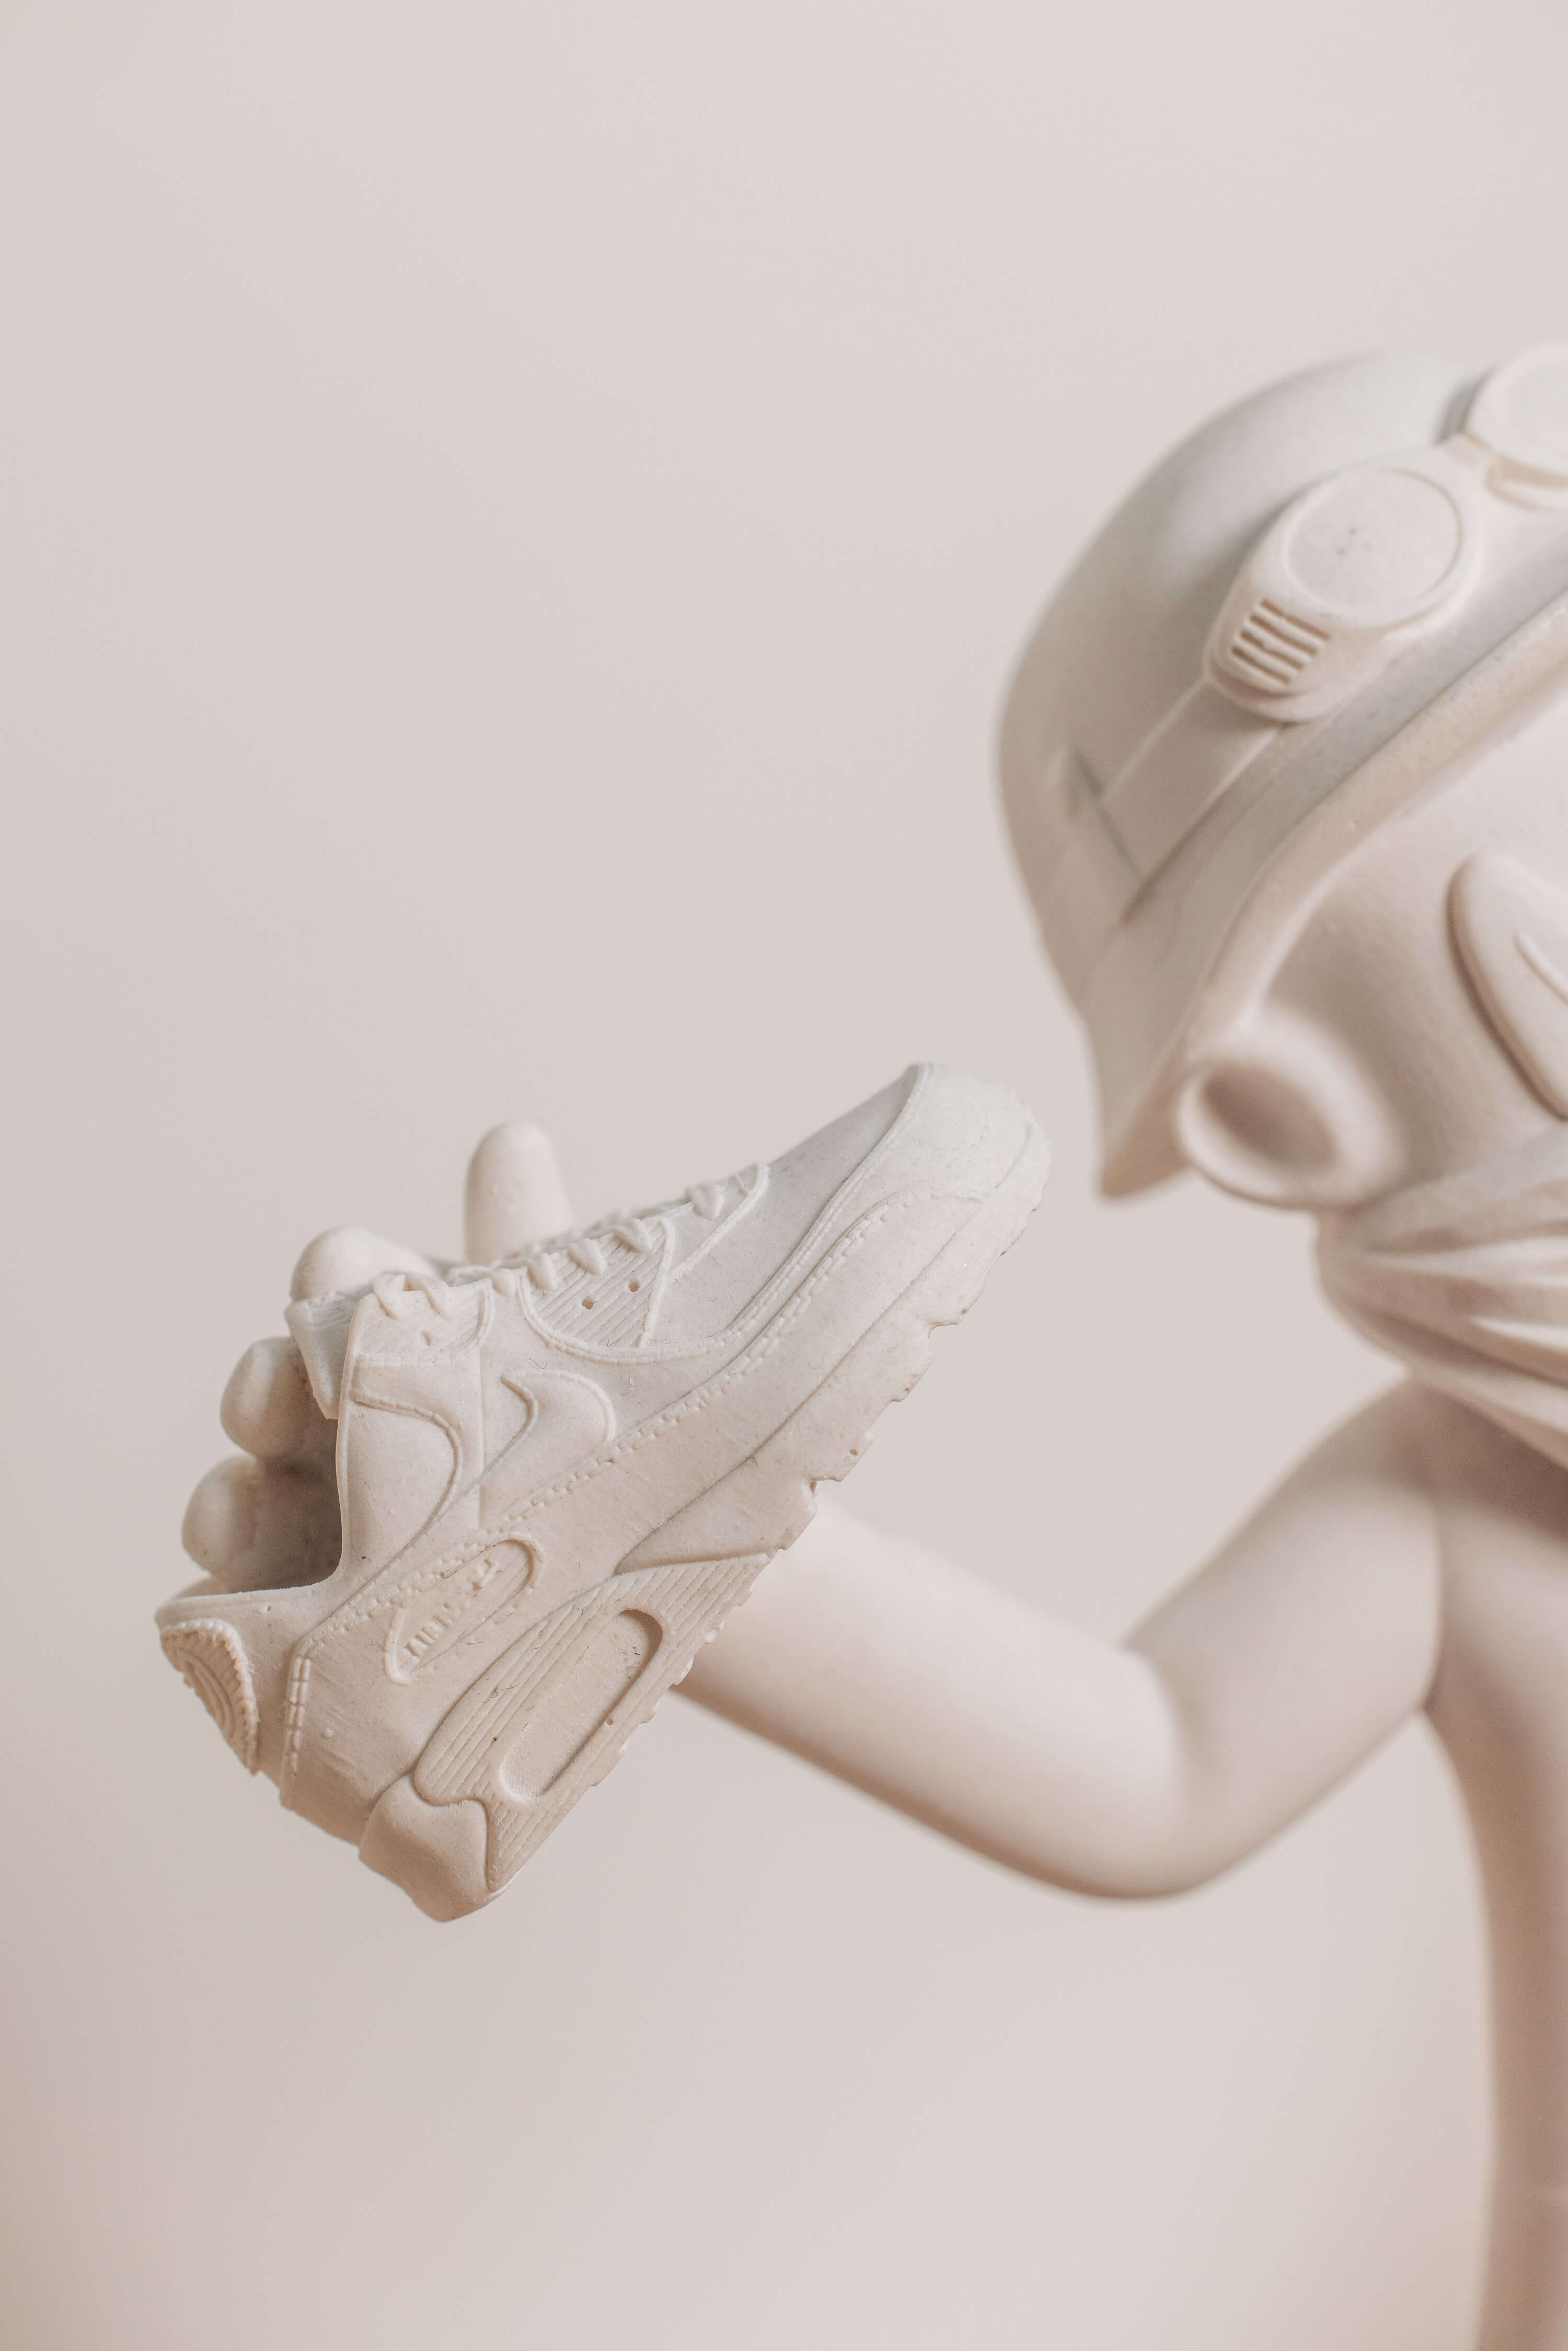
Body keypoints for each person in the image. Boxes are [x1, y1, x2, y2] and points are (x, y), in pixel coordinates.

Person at [165, 343, 1568, 2350]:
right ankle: (541, 1509)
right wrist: (692, 1521)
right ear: (1286, 1113)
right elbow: (1156, 1762)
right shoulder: (1450, 1513)